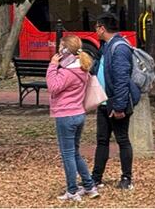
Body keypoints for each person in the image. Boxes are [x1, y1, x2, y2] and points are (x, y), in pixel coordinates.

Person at [47, 35, 101, 202]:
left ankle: (72, 189)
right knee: (75, 153)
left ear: (65, 50)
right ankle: (89, 185)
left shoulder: (68, 71)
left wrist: (52, 66)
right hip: (78, 114)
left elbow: (53, 87)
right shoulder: (82, 69)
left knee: (67, 154)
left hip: (66, 115)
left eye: (61, 47)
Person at [90, 13, 140, 191]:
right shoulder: (106, 46)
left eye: (96, 27)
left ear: (102, 28)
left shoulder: (119, 48)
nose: (95, 31)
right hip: (104, 102)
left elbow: (121, 79)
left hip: (117, 102)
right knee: (102, 140)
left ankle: (127, 178)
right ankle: (96, 178)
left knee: (122, 140)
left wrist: (119, 107)